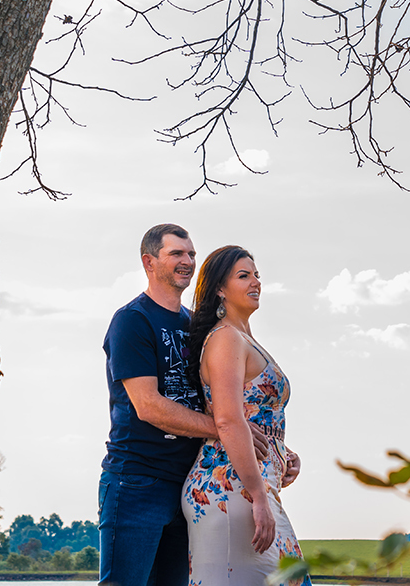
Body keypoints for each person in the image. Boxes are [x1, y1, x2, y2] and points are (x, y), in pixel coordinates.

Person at [99, 224, 285, 586]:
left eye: (191, 254)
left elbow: (225, 404)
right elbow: (148, 406)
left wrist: (275, 449)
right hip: (137, 480)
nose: (188, 261)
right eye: (176, 253)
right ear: (149, 262)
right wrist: (231, 432)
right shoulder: (133, 321)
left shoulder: (197, 326)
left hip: (188, 480)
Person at [182, 245, 309, 586]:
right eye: (243, 276)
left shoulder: (242, 339)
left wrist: (283, 453)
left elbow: (254, 414)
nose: (255, 282)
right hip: (232, 490)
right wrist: (258, 497)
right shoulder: (225, 339)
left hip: (253, 489)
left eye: (256, 275)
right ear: (220, 289)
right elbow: (227, 419)